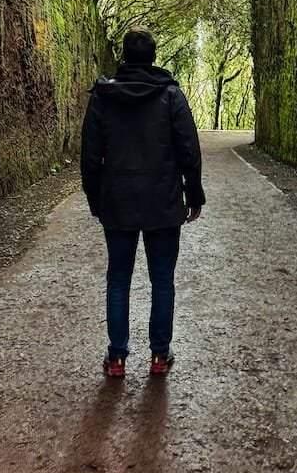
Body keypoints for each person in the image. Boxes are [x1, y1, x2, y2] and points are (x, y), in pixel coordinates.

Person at [80, 27, 205, 378]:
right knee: (162, 279)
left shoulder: (103, 97)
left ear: (124, 56)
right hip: (163, 202)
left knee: (118, 278)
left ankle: (117, 358)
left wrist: (95, 199)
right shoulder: (171, 96)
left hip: (117, 202)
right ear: (153, 57)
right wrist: (192, 195)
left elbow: (90, 156)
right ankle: (159, 356)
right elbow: (189, 151)